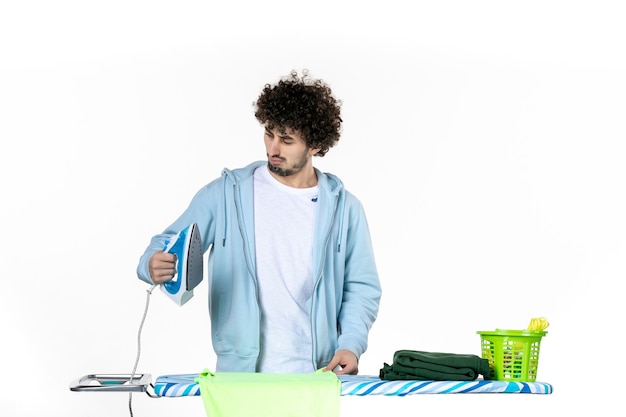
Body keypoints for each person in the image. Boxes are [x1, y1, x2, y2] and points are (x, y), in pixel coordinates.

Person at [137, 69, 382, 375]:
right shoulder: (226, 194)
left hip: (319, 375)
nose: (273, 149)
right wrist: (151, 264)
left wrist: (351, 343)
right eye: (269, 133)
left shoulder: (346, 209)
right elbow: (164, 244)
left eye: (287, 140)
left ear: (316, 145)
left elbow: (361, 287)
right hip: (239, 376)